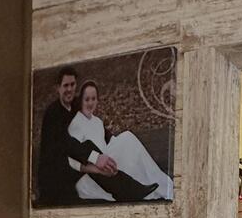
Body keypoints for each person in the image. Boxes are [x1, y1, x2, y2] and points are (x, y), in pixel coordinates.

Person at [35, 66, 158, 205]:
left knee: (94, 149)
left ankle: (132, 189)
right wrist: (95, 158)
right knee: (93, 154)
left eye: (72, 85)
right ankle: (130, 191)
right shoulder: (53, 114)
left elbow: (92, 119)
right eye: (65, 85)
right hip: (57, 174)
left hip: (73, 159)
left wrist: (107, 138)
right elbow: (67, 144)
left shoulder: (74, 104)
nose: (69, 89)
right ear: (58, 88)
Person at [68, 80, 174, 202]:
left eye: (93, 99)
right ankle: (149, 187)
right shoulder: (76, 123)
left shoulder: (97, 122)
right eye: (86, 99)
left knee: (127, 142)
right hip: (91, 175)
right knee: (127, 139)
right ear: (80, 100)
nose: (90, 103)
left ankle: (155, 184)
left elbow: (110, 142)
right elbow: (73, 157)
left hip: (107, 166)